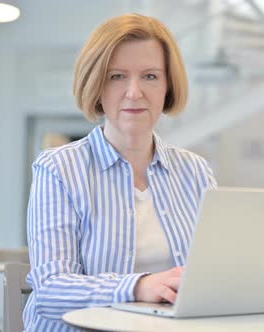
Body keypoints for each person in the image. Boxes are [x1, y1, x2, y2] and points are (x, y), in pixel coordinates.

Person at [24, 14, 217, 331]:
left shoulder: (195, 172)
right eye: (117, 76)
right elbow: (51, 290)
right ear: (96, 85)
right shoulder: (58, 168)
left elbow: (215, 271)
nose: (134, 91)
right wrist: (140, 286)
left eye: (151, 76)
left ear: (168, 85)